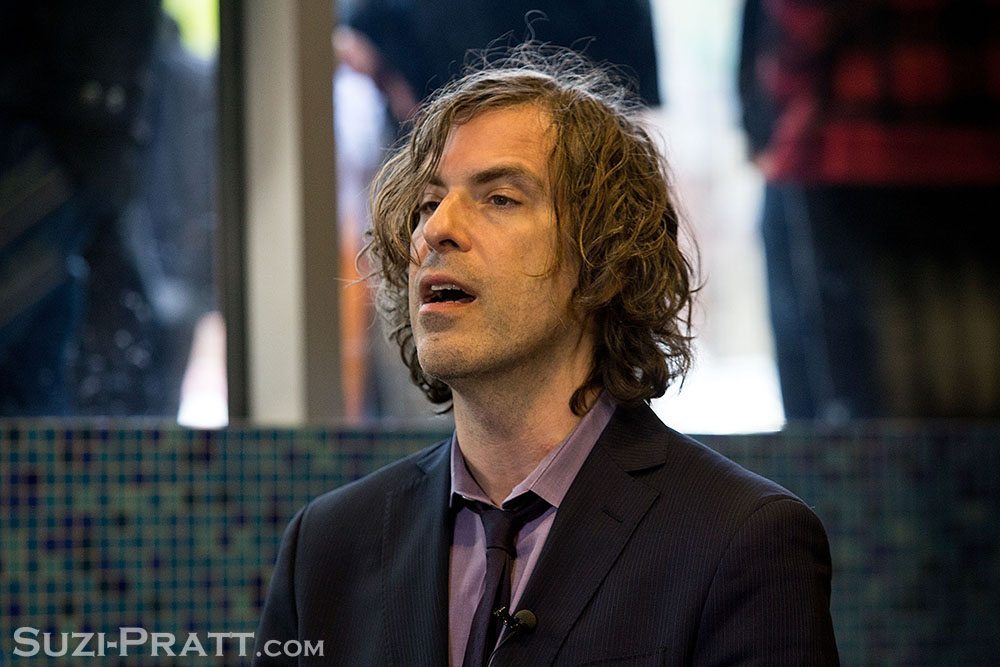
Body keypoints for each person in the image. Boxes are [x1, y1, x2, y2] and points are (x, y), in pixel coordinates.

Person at [254, 45, 838, 665]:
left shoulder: (742, 540)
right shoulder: (326, 548)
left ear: (605, 260)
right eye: (427, 204)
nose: (436, 229)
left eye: (500, 198)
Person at [739, 0, 1000, 421]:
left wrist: (774, 111)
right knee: (978, 397)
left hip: (851, 146)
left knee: (860, 412)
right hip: (978, 147)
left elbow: (800, 18)